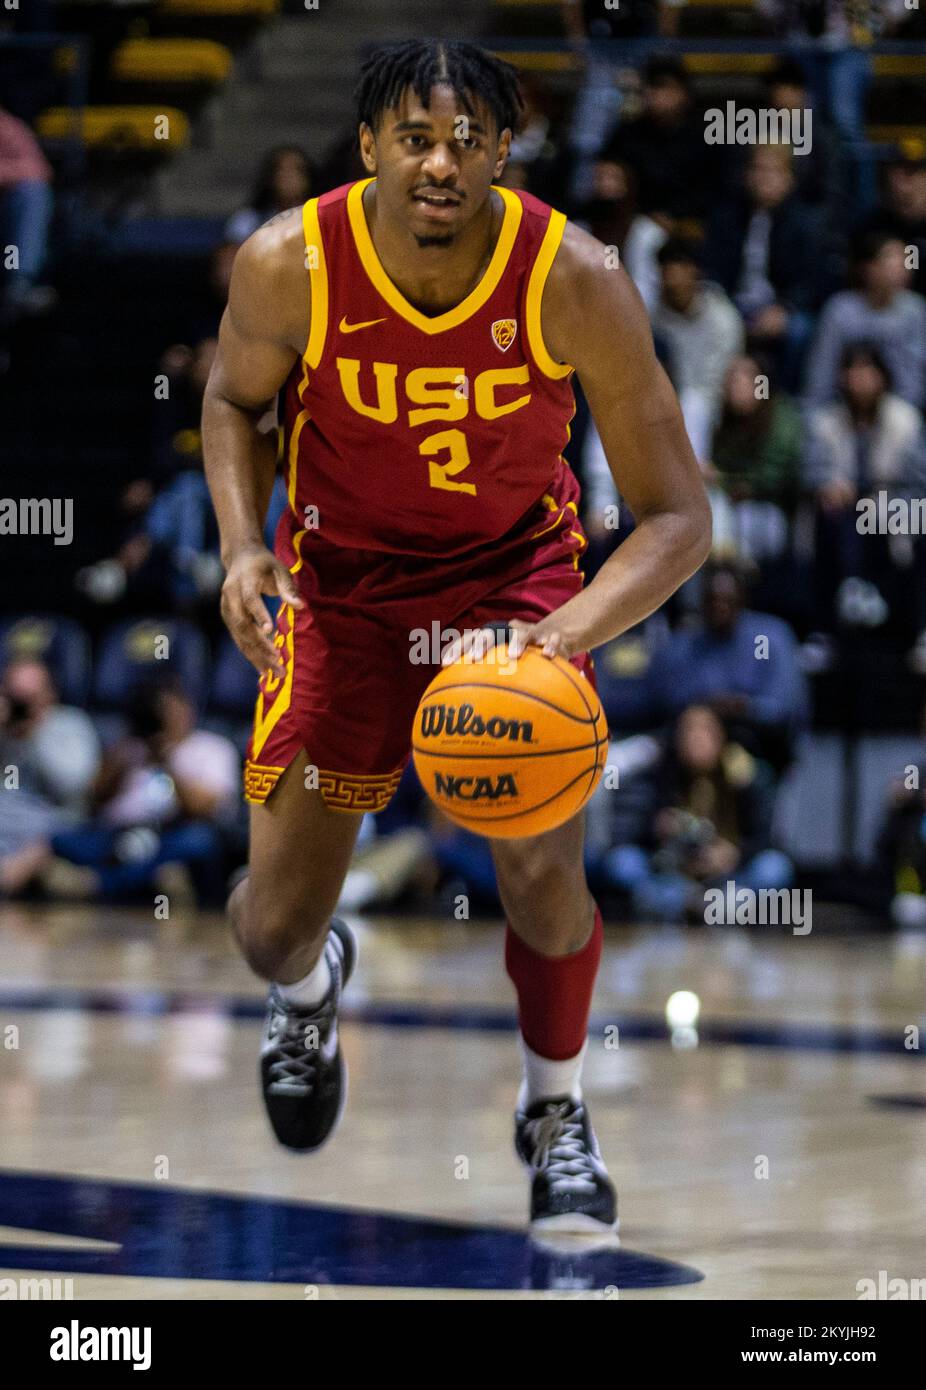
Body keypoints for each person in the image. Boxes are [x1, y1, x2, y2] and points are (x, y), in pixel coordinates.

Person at [201, 39, 711, 1233]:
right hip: (343, 591)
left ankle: (555, 1113)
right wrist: (238, 546)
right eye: (415, 138)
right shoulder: (289, 263)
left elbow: (679, 517)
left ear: (504, 151)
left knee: (540, 866)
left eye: (467, 140)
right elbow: (230, 403)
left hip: (512, 581)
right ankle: (313, 984)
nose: (441, 162)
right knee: (269, 926)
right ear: (368, 145)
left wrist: (556, 640)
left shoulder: (572, 275)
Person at [51, 679, 239, 907]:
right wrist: (124, 755)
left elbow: (205, 809)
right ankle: (153, 881)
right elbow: (93, 800)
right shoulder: (128, 748)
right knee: (61, 838)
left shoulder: (211, 748)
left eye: (167, 711)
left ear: (186, 708)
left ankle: (98, 883)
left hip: (170, 835)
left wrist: (167, 761)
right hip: (117, 835)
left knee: (198, 842)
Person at [601, 704, 793, 922]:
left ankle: (706, 905)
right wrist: (658, 828)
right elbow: (629, 835)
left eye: (705, 731)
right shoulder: (659, 772)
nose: (696, 739)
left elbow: (765, 837)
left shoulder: (746, 775)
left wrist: (734, 854)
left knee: (774, 868)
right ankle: (693, 905)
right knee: (623, 864)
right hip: (672, 873)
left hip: (729, 872)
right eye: (689, 731)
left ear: (721, 736)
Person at [806, 342, 926, 636]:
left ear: (883, 376)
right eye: (853, 371)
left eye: (867, 370)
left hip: (897, 505)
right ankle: (844, 600)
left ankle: (918, 629)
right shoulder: (825, 422)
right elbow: (811, 473)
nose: (859, 379)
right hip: (845, 510)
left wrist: (881, 497)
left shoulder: (906, 420)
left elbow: (919, 480)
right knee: (835, 514)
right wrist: (828, 485)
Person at [649, 561, 808, 772]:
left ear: (742, 600)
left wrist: (743, 707)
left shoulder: (771, 636)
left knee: (744, 768)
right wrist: (708, 707)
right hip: (693, 743)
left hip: (759, 744)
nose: (719, 607)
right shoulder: (686, 642)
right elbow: (664, 697)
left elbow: (784, 707)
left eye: (727, 600)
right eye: (712, 600)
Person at [704, 145, 829, 390]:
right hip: (732, 305)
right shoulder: (726, 217)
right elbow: (713, 268)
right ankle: (715, 400)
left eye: (773, 172)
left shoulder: (806, 223)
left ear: (789, 178)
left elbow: (812, 280)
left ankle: (787, 401)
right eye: (757, 169)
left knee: (799, 331)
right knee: (711, 322)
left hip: (781, 307)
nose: (763, 178)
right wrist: (722, 302)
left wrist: (785, 308)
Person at [0, 659, 100, 894]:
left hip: (47, 834)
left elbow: (72, 785)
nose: (20, 706)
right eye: (14, 696)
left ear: (49, 694)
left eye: (28, 697)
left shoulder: (69, 724)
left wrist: (34, 733)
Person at [804, 232, 926, 411]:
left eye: (904, 261)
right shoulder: (839, 310)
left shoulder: (915, 310)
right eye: (891, 260)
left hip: (897, 411)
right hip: (843, 410)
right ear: (868, 268)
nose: (901, 268)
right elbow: (822, 373)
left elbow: (914, 378)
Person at [225, 146, 316, 245]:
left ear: (308, 177)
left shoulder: (323, 220)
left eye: (297, 170)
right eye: (282, 170)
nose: (289, 176)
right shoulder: (247, 221)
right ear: (270, 178)